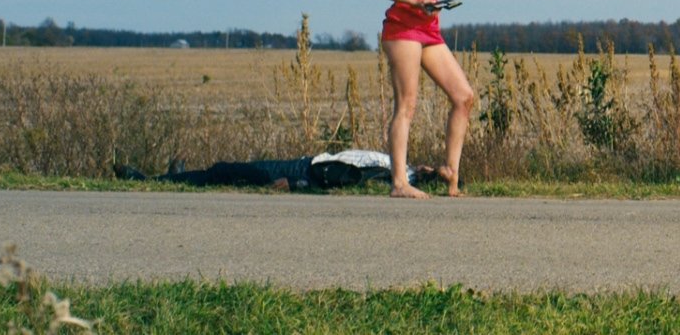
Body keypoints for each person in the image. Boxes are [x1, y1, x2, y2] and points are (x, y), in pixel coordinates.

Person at [374, 0, 487, 199]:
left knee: (463, 96)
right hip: (403, 26)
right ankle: (399, 183)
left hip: (429, 27)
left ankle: (450, 176)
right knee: (407, 104)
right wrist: (414, 2)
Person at [114, 150, 441, 192]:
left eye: (430, 169)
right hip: (303, 162)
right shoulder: (397, 163)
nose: (427, 163)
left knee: (224, 170)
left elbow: (339, 178)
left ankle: (146, 180)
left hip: (300, 170)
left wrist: (296, 184)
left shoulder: (388, 173)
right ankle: (176, 175)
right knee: (227, 170)